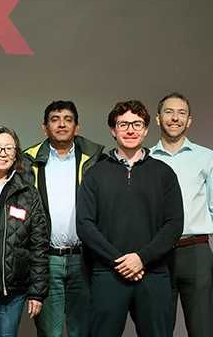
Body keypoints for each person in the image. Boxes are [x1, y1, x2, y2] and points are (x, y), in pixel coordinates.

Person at [76, 100, 184, 337]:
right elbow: (84, 225)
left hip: (153, 273)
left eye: (137, 124)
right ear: (113, 130)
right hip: (108, 272)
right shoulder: (95, 174)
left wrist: (142, 258)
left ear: (146, 129)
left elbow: (174, 224)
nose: (130, 130)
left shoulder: (164, 174)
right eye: (123, 124)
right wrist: (121, 261)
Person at [23, 100, 105, 337]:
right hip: (46, 260)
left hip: (84, 260)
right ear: (44, 127)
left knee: (85, 331)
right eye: (55, 119)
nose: (62, 124)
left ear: (76, 128)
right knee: (50, 333)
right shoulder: (27, 162)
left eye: (68, 119)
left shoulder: (96, 160)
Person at [0, 126, 49, 337]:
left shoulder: (28, 193)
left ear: (16, 155)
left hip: (11, 290)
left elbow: (39, 245)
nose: (2, 154)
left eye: (9, 148)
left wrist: (37, 292)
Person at [150, 92, 213, 337]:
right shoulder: (146, 160)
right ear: (157, 119)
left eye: (181, 113)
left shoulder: (207, 158)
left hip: (195, 252)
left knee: (203, 329)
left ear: (189, 121)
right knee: (157, 329)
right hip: (157, 254)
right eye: (168, 112)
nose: (175, 118)